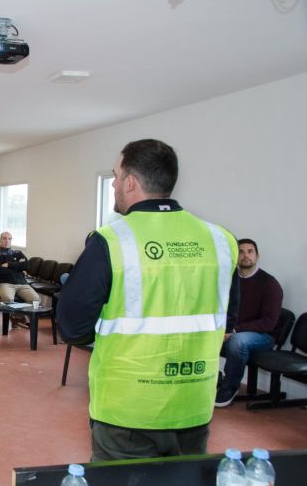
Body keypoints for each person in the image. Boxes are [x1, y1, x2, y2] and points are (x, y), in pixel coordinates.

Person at [57, 139, 238, 462]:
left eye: (115, 176)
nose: (112, 184)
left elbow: (72, 326)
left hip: (127, 409)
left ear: (130, 182)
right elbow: (228, 319)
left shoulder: (111, 241)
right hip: (193, 404)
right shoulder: (220, 241)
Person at [215, 238, 283, 407]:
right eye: (241, 252)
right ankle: (212, 380)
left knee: (238, 342)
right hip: (233, 330)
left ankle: (229, 387)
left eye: (250, 251)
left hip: (262, 336)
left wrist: (235, 330)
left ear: (257, 256)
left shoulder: (270, 284)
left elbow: (269, 322)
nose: (246, 256)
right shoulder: (229, 280)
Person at [0, 231, 41, 328]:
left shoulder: (18, 253)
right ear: (0, 240)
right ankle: (19, 319)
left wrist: (9, 265)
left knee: (35, 299)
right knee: (8, 299)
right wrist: (17, 267)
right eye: (4, 238)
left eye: (9, 239)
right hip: (5, 283)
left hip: (22, 283)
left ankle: (16, 317)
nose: (7, 241)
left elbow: (27, 265)